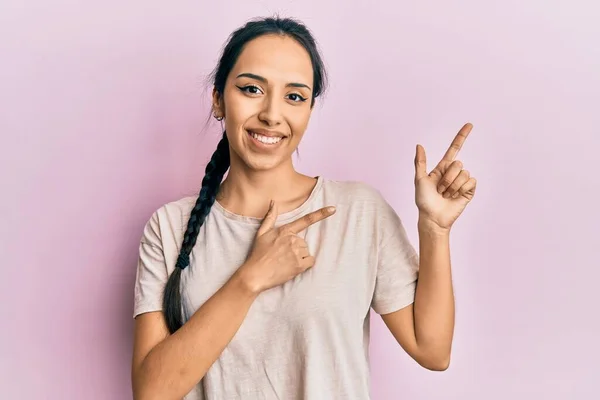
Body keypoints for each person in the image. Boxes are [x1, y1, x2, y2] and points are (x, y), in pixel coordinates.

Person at [131, 16, 477, 400]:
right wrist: (251, 278)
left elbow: (433, 350)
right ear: (217, 99)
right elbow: (152, 392)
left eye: (294, 96)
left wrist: (435, 229)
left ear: (309, 111)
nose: (271, 114)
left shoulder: (359, 213)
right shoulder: (169, 228)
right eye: (251, 89)